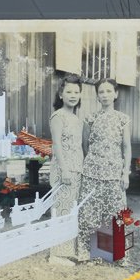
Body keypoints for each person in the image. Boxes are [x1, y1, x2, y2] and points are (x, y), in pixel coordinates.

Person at [78, 77, 132, 256]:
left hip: (114, 173)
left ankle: (117, 253)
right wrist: (94, 164)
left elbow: (126, 147)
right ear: (97, 96)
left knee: (116, 213)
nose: (105, 95)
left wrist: (125, 173)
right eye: (101, 92)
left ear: (116, 94)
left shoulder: (123, 119)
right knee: (88, 212)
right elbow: (85, 145)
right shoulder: (90, 118)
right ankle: (87, 251)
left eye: (109, 91)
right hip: (92, 173)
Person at [47, 75, 86, 263]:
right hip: (64, 170)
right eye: (68, 91)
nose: (73, 95)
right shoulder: (58, 116)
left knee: (71, 210)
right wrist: (64, 170)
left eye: (76, 92)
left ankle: (68, 250)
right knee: (61, 209)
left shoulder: (76, 118)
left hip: (77, 169)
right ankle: (57, 254)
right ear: (61, 94)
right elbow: (57, 145)